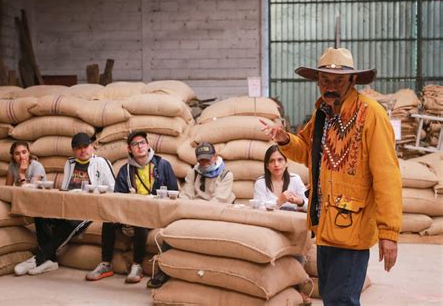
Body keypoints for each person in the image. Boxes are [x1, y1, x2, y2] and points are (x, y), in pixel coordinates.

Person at [260, 47, 402, 305]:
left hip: (352, 232)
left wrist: (389, 233)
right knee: (331, 298)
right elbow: (307, 152)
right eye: (325, 80)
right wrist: (283, 139)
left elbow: (387, 177)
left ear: (353, 80)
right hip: (323, 225)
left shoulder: (372, 115)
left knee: (341, 301)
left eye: (338, 80)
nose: (330, 86)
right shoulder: (322, 115)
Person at [14, 133, 116, 276]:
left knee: (71, 224)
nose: (83, 151)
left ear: (92, 146)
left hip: (89, 208)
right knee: (41, 215)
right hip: (69, 205)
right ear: (73, 150)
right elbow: (65, 188)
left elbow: (113, 189)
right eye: (78, 148)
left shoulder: (101, 162)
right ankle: (51, 261)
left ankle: (38, 259)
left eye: (85, 146)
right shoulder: (70, 163)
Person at [86, 130, 178, 284]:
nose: (140, 146)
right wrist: (123, 219)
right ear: (129, 149)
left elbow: (174, 193)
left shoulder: (163, 165)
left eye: (142, 143)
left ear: (148, 145)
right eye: (135, 144)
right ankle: (106, 263)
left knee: (139, 221)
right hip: (129, 214)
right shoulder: (125, 170)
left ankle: (137, 265)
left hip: (155, 213)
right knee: (108, 221)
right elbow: (118, 199)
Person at [145, 142, 236, 289]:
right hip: (192, 212)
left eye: (208, 159)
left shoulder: (226, 175)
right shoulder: (193, 172)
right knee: (170, 232)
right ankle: (164, 270)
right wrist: (185, 211)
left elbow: (217, 201)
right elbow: (186, 195)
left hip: (214, 215)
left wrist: (195, 211)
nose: (204, 163)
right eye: (201, 160)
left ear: (215, 157)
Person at [254, 144, 307, 211]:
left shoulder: (295, 179)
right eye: (272, 161)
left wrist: (300, 202)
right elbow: (259, 212)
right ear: (267, 166)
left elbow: (309, 206)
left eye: (280, 160)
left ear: (286, 163)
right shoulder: (260, 183)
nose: (276, 164)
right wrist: (279, 202)